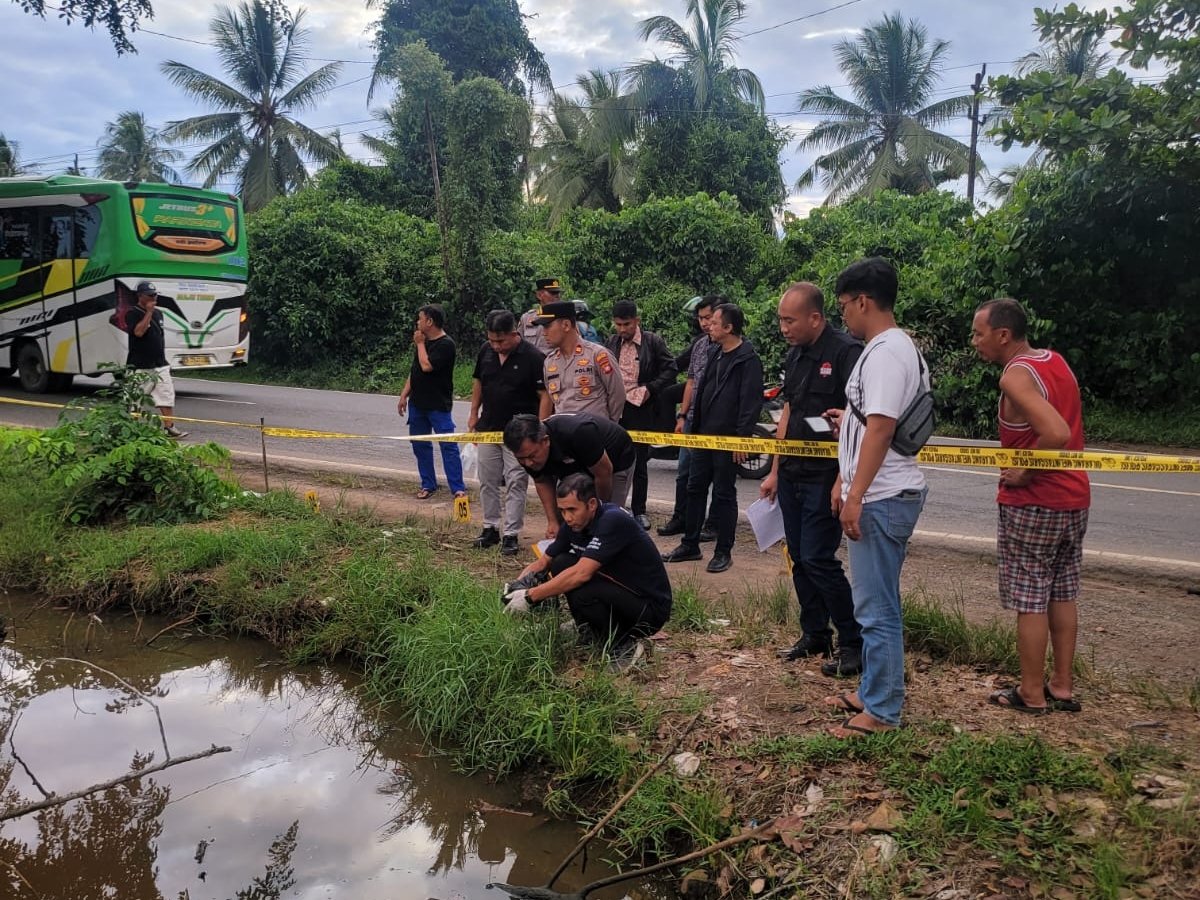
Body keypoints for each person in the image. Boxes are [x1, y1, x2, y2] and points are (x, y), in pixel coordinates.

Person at [821, 257, 929, 739]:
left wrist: (856, 494)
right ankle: (872, 689)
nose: (843, 314)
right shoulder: (890, 348)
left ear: (863, 301)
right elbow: (872, 422)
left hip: (883, 496)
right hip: (878, 489)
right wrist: (844, 474)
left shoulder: (886, 352)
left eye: (844, 305)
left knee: (876, 608)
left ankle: (883, 710)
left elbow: (883, 427)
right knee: (875, 602)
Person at [971, 298, 1090, 714]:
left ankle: (1031, 692)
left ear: (1003, 335)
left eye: (979, 334)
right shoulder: (1054, 362)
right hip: (1074, 497)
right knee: (1063, 592)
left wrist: (1025, 472)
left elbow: (1055, 432)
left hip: (1035, 503)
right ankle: (1061, 685)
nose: (975, 342)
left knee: (1031, 598)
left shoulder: (1015, 377)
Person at [761, 282, 864, 675]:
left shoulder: (845, 354)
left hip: (826, 475)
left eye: (790, 320)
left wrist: (843, 481)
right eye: (781, 320)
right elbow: (788, 411)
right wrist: (774, 469)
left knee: (821, 559)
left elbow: (856, 422)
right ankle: (815, 633)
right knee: (799, 559)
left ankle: (853, 642)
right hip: (792, 473)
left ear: (815, 318)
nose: (783, 327)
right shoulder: (795, 355)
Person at [501, 473, 672, 672]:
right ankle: (588, 629)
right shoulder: (573, 525)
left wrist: (531, 597)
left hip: (649, 609)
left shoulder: (613, 520)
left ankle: (624, 645)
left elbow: (581, 574)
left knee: (583, 588)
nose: (567, 517)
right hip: (619, 592)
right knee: (560, 563)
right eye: (562, 510)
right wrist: (517, 587)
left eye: (572, 509)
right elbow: (543, 562)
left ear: (591, 504)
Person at [661, 303, 763, 574]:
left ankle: (723, 552)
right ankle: (690, 544)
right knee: (694, 489)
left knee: (724, 494)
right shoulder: (714, 351)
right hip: (702, 436)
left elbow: (750, 402)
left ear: (729, 328)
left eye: (715, 323)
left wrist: (742, 439)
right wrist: (690, 425)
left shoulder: (747, 359)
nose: (708, 326)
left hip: (728, 440)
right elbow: (700, 390)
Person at [467, 309, 548, 556]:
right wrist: (473, 414)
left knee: (516, 481)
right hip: (488, 427)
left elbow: (544, 395)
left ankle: (511, 533)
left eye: (501, 341)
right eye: (492, 340)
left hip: (520, 434)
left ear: (515, 334)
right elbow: (479, 382)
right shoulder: (486, 351)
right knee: (487, 480)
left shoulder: (534, 357)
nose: (496, 345)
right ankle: (490, 527)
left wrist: (541, 428)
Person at [503, 413, 635, 538]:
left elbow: (604, 474)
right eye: (521, 459)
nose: (528, 463)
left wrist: (597, 513)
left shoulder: (578, 432)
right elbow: (542, 481)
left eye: (532, 456)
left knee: (609, 521)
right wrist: (553, 521)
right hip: (574, 465)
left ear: (545, 441)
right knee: (568, 519)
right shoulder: (527, 452)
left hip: (615, 460)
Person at [606, 299, 677, 530]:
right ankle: (612, 508)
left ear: (637, 321)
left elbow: (671, 369)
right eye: (618, 324)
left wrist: (650, 389)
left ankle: (640, 511)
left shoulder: (653, 342)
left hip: (641, 407)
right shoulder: (611, 342)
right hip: (615, 408)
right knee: (612, 461)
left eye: (627, 324)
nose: (622, 329)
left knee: (639, 463)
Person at [658, 295, 719, 540]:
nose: (704, 323)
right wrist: (682, 416)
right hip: (693, 419)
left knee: (715, 478)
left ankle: (713, 525)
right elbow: (690, 381)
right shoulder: (700, 345)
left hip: (716, 423)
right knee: (684, 472)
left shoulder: (734, 348)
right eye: (701, 318)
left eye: (709, 318)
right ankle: (680, 518)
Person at [397, 304, 466, 500]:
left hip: (438, 404)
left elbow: (427, 366)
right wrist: (404, 395)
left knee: (447, 444)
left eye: (420, 319)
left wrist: (419, 344)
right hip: (418, 403)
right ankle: (428, 484)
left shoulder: (446, 344)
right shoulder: (423, 342)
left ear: (429, 321)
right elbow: (416, 370)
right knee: (420, 445)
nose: (417, 323)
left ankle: (457, 488)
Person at [117, 281, 188, 438]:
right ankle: (130, 428)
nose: (153, 298)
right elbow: (138, 333)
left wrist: (152, 312)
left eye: (155, 295)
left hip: (159, 364)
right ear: (140, 296)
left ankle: (169, 427)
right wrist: (148, 313)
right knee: (135, 398)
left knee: (166, 395)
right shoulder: (132, 313)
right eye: (149, 295)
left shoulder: (159, 313)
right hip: (140, 365)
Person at [534, 301, 625, 422]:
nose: (544, 333)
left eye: (547, 326)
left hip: (595, 433)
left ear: (566, 325)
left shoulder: (597, 355)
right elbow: (555, 402)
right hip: (564, 434)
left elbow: (617, 394)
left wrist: (608, 426)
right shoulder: (550, 362)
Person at [518, 277, 560, 354]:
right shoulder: (527, 318)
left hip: (553, 364)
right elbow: (518, 345)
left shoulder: (564, 318)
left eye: (557, 293)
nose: (557, 296)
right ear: (539, 295)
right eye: (552, 293)